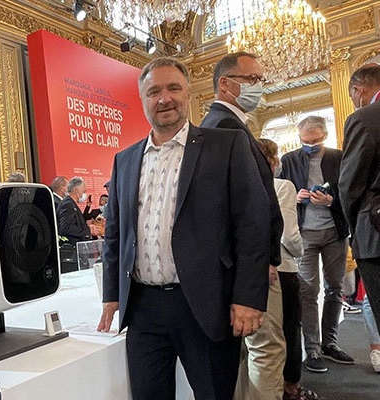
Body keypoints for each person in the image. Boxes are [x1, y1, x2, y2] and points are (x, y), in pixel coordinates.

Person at [97, 57, 269, 400]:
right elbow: (115, 232)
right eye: (154, 91)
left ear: (189, 93)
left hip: (207, 304)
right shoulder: (125, 159)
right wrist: (112, 295)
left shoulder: (225, 146)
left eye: (173, 88)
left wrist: (248, 298)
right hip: (144, 309)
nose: (165, 98)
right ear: (143, 99)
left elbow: (253, 224)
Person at [200, 51, 284, 295]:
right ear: (224, 83)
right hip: (242, 263)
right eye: (252, 79)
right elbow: (240, 203)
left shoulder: (229, 122)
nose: (258, 87)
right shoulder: (224, 125)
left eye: (260, 80)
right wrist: (259, 262)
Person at [279, 115, 353, 371]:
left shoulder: (339, 157)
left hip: (335, 230)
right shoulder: (289, 160)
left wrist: (331, 201)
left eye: (315, 140)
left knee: (335, 287)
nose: (310, 144)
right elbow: (278, 193)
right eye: (305, 141)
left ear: (324, 136)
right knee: (308, 291)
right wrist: (295, 197)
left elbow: (351, 192)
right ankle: (313, 349)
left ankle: (330, 342)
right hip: (304, 233)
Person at [255, 139, 319, 400]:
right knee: (289, 332)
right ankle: (291, 389)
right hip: (284, 267)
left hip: (251, 272)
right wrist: (302, 251)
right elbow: (289, 235)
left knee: (259, 342)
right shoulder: (282, 186)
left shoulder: (238, 187)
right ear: (272, 161)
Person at [339, 64, 380, 372]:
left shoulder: (364, 118)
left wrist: (353, 227)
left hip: (376, 235)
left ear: (358, 90)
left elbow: (350, 184)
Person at [57, 177, 99, 245]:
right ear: (76, 191)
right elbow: (66, 227)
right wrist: (88, 230)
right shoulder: (67, 204)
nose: (84, 194)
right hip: (71, 249)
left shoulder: (71, 204)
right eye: (84, 191)